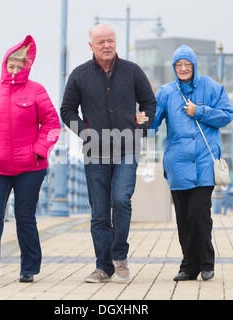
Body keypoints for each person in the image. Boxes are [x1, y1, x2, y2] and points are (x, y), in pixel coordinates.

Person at [60, 24, 156, 283]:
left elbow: (149, 102)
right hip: (94, 152)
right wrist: (85, 132)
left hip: (127, 147)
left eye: (110, 41)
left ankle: (120, 256)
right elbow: (67, 110)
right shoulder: (80, 75)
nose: (107, 45)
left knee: (122, 199)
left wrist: (142, 127)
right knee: (100, 211)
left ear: (116, 43)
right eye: (101, 42)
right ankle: (104, 267)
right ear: (91, 45)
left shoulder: (132, 71)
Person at [0, 35, 61, 284]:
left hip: (31, 167)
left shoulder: (36, 90)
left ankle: (29, 268)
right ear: (4, 65)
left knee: (25, 216)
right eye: (11, 65)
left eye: (21, 66)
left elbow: (51, 125)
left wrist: (38, 151)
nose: (15, 70)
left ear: (27, 66)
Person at [151, 45, 233, 281]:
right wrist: (142, 120)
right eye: (179, 65)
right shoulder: (166, 92)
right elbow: (152, 125)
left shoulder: (211, 87)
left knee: (199, 214)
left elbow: (227, 114)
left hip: (205, 163)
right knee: (184, 218)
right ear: (174, 68)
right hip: (177, 164)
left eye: (187, 64)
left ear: (194, 66)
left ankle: (207, 263)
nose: (183, 68)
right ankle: (189, 266)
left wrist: (200, 111)